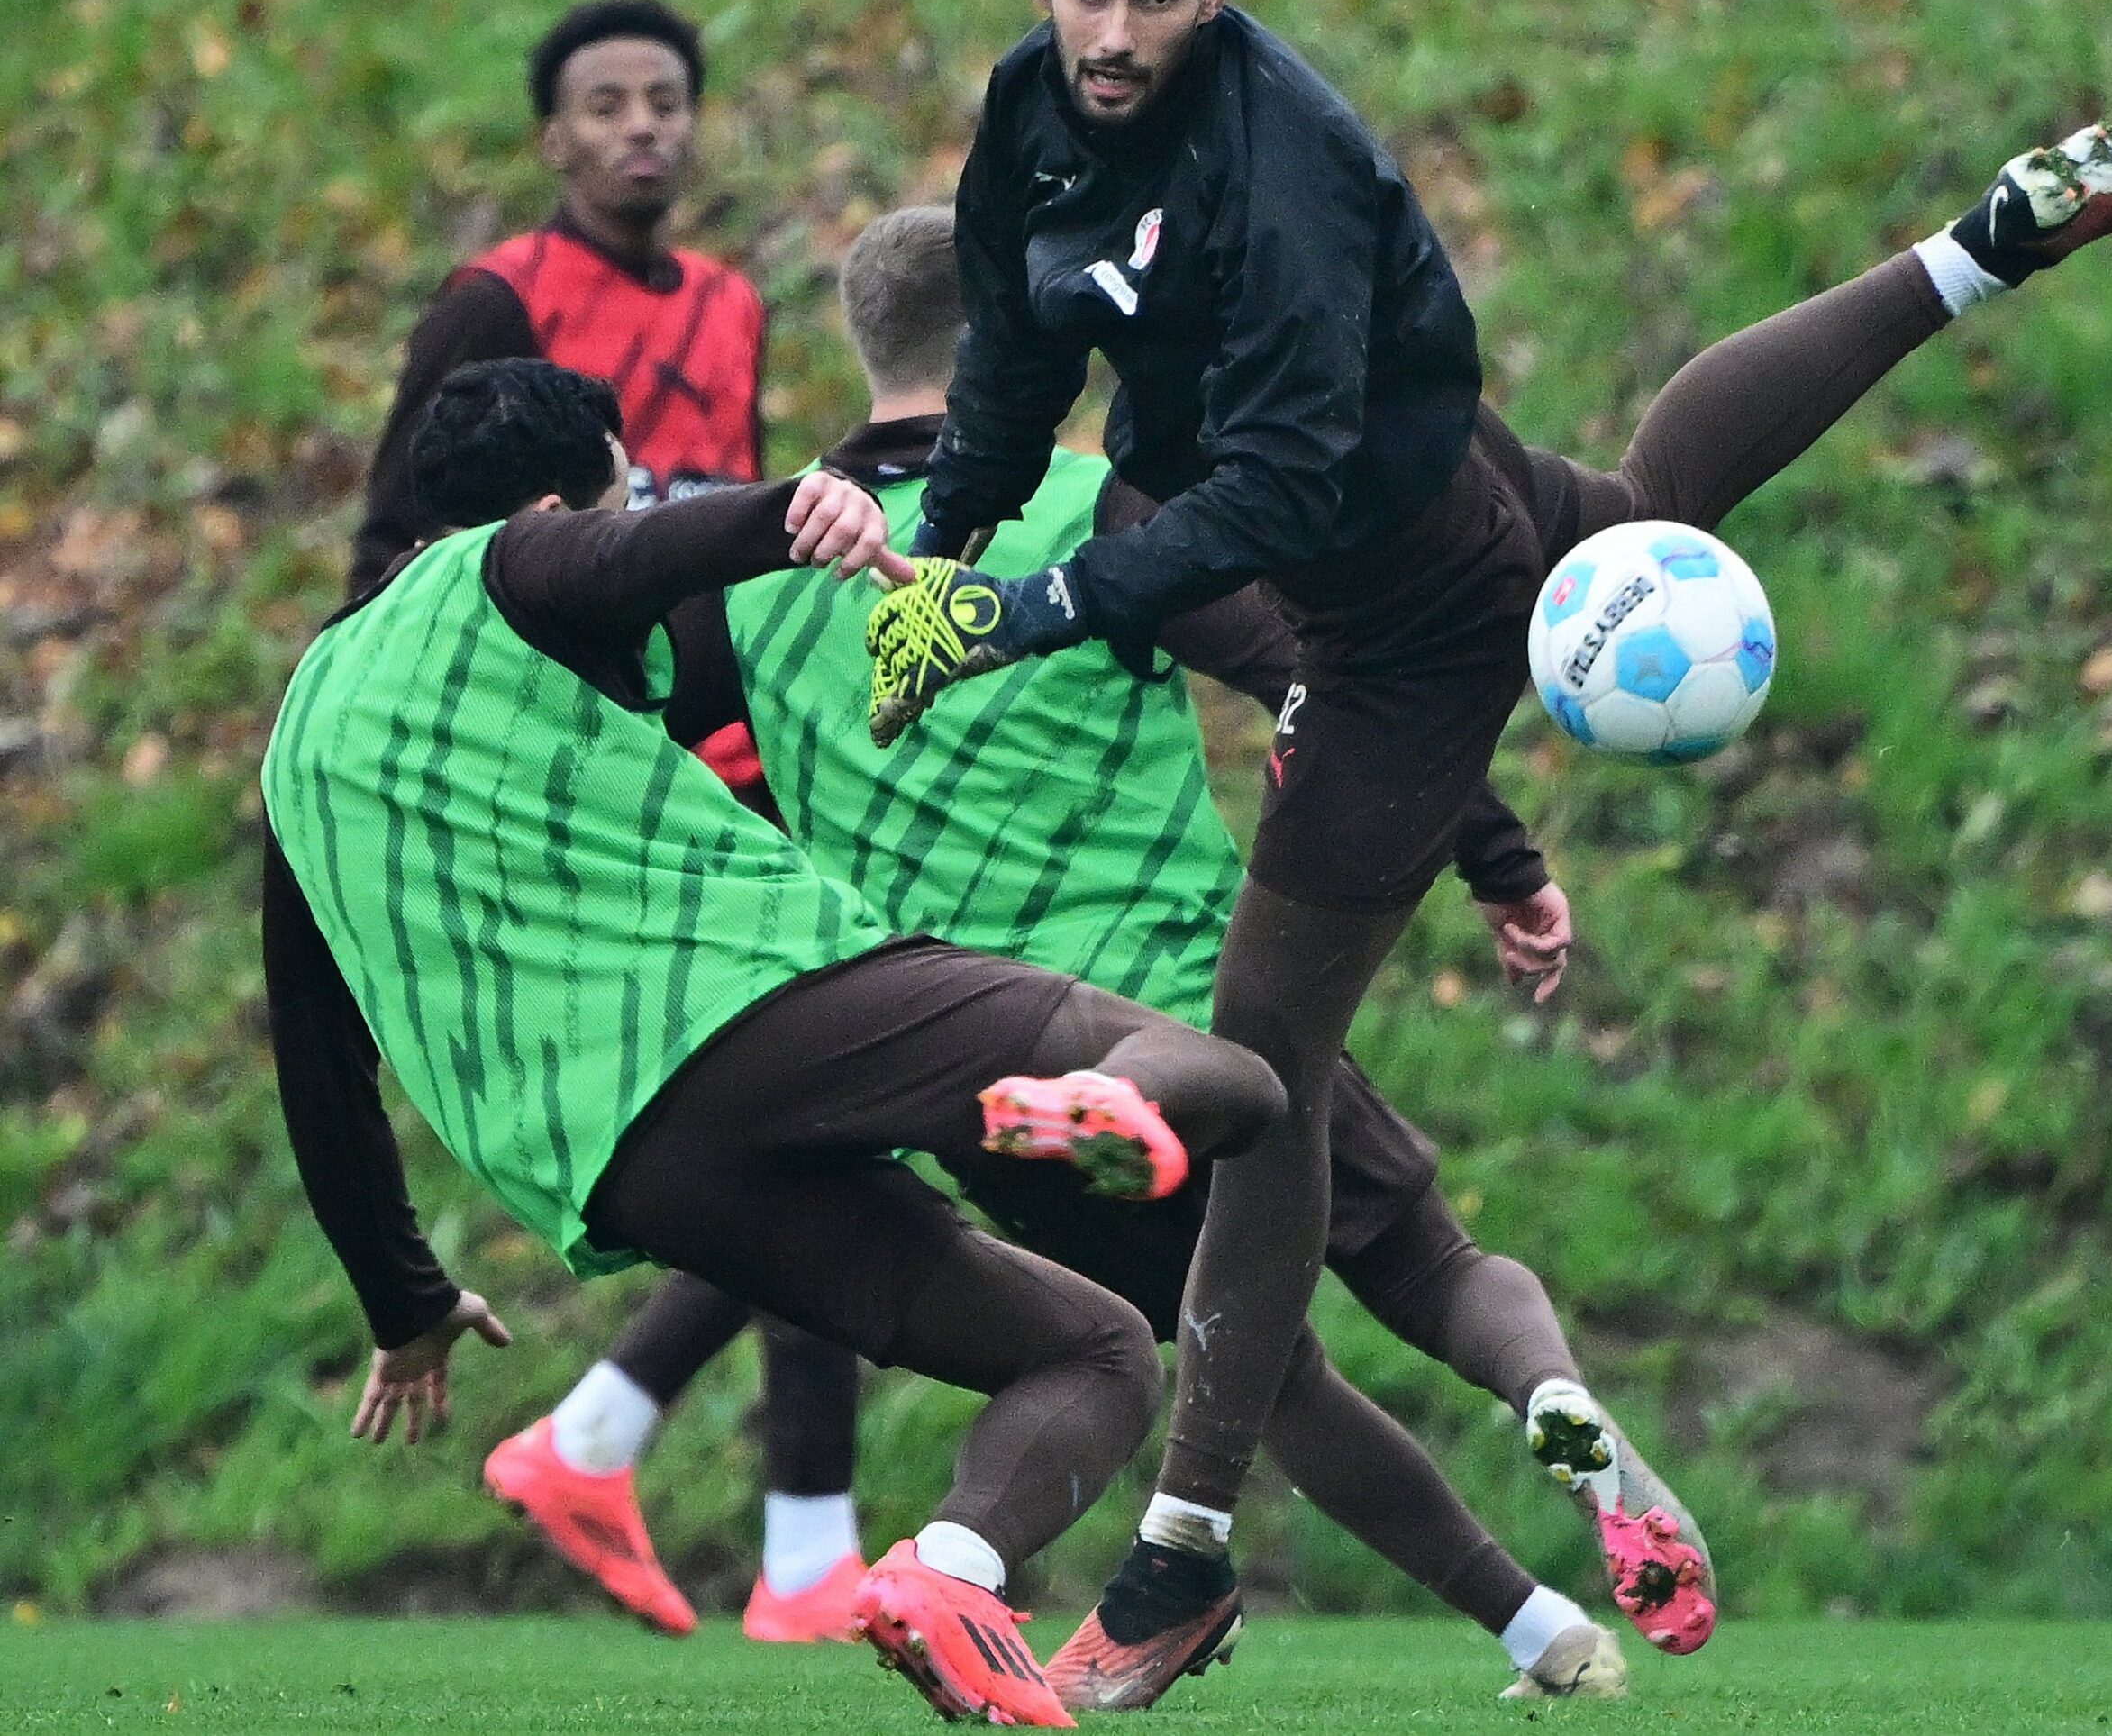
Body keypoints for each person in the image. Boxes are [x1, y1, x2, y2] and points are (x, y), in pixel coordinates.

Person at [859, 0, 2112, 1698]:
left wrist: (1030, 607)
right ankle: (1980, 245)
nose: (1116, 32)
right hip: (1423, 503)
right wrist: (953, 541)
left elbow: (1269, 488)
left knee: (1266, 1075)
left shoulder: (1290, 161)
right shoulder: (1035, 104)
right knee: (1642, 493)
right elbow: (1009, 349)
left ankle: (1175, 1554)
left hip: (1402, 610)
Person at [489, 206, 1652, 1701]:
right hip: (1177, 1009)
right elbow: (1320, 676)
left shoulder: (759, 566)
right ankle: (1554, 1396)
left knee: (1261, 1372)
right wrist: (1500, 857)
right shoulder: (1107, 506)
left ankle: (1546, 1634)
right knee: (1425, 1259)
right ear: (1006, 338)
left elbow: (621, 718)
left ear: (865, 342)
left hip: (969, 1067)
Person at [260, 357, 1288, 1728]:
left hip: (623, 1167)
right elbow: (633, 548)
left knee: (1094, 1353)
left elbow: (316, 1058)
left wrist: (403, 1302)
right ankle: (1097, 1096)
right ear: (569, 500)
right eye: (615, 494)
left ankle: (950, 1576)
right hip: (764, 1002)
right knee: (1249, 1083)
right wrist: (794, 511)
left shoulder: (297, 739)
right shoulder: (516, 565)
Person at [348, 0, 769, 795]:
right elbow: (400, 526)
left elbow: (738, 488)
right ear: (554, 140)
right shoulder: (498, 298)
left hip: (721, 731)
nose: (641, 125)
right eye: (606, 108)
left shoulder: (733, 302)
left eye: (666, 103)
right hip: (561, 722)